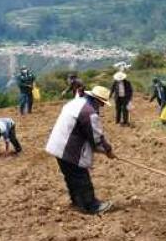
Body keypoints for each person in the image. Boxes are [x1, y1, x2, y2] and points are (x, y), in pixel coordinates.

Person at [45, 86, 115, 215]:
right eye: (102, 103)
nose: (102, 106)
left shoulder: (75, 102)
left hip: (57, 145)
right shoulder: (89, 113)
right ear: (97, 100)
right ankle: (92, 206)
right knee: (81, 177)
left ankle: (77, 202)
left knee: (70, 176)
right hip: (69, 148)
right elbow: (96, 138)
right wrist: (108, 150)